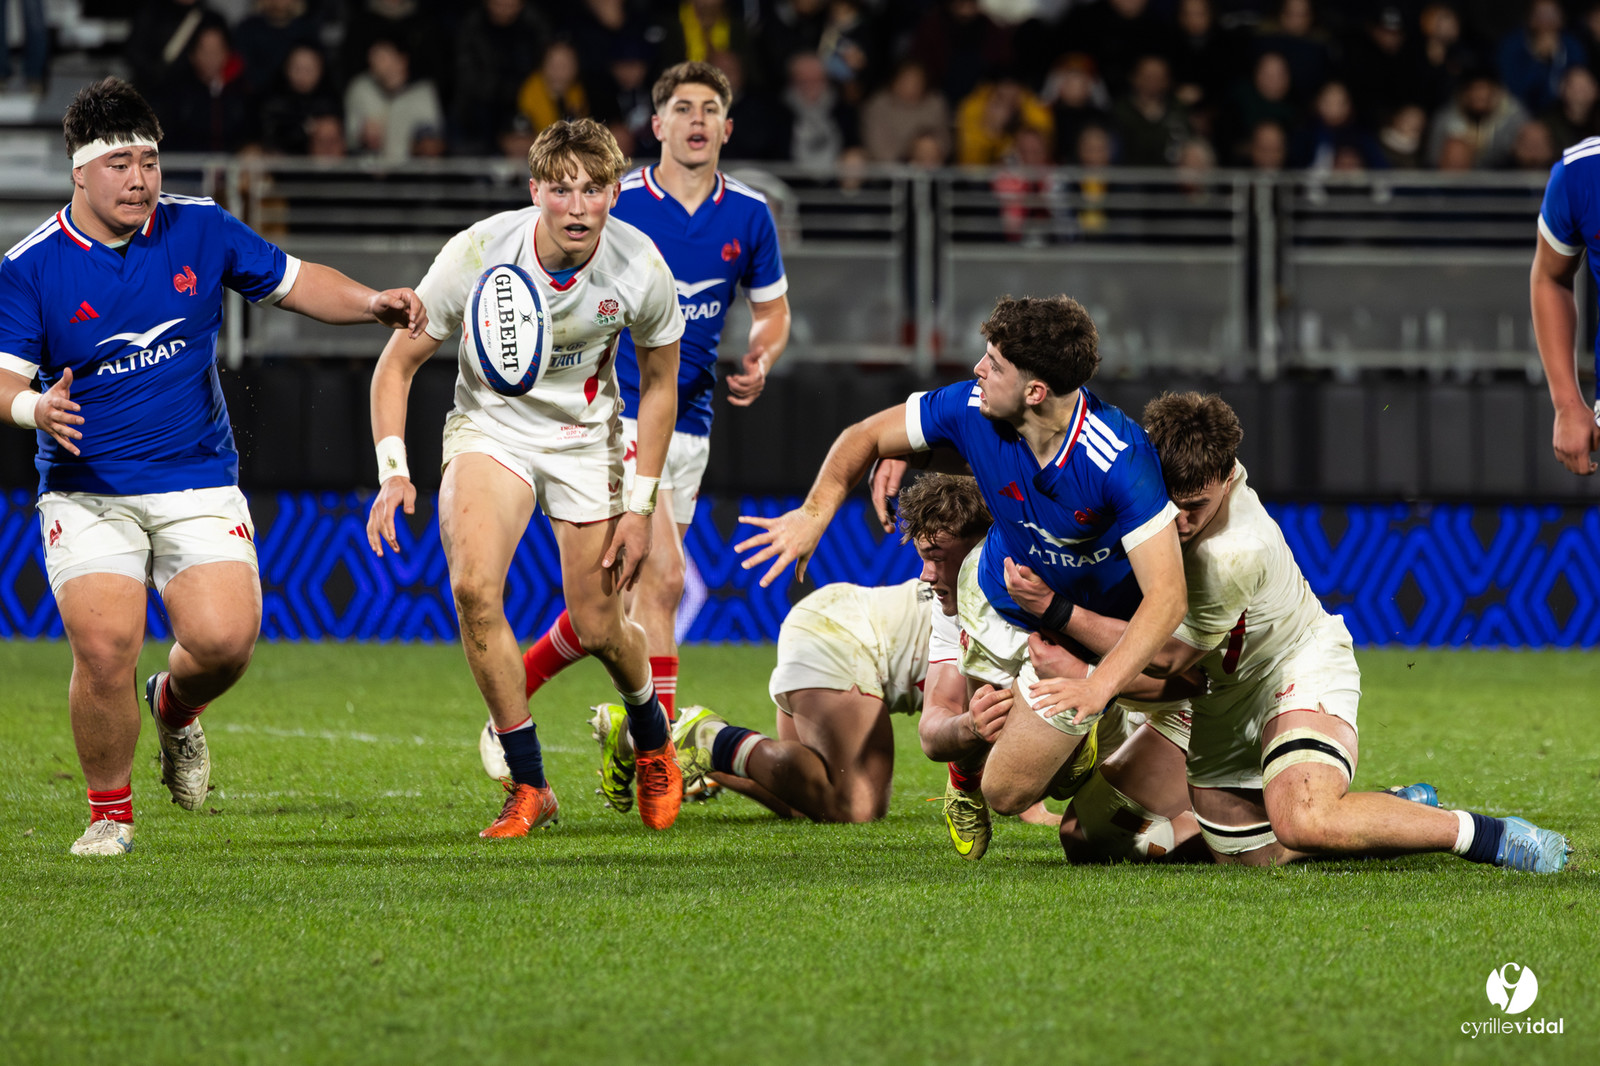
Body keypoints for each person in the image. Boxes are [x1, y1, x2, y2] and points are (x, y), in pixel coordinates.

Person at [0, 78, 427, 856]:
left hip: (195, 475)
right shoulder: (31, 266)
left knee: (226, 642)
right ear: (80, 172)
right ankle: (109, 815)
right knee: (105, 647)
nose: (140, 179)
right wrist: (34, 408)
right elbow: (3, 380)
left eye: (150, 162)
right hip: (88, 490)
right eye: (121, 164)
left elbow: (296, 280)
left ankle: (174, 707)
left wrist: (371, 303)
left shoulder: (199, 226)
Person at [1025, 392, 1571, 873]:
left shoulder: (1232, 551)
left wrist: (1057, 612)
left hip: (1291, 668)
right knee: (1090, 838)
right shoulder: (1146, 480)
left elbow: (1166, 658)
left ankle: (1488, 835)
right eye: (1172, 506)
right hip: (1216, 695)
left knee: (1304, 822)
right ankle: (1390, 807)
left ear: (1228, 477)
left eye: (1195, 508)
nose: (1181, 523)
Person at [737, 295, 1188, 830]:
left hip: (1091, 624)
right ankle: (969, 777)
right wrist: (815, 513)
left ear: (1035, 392)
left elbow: (1168, 598)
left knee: (1100, 763)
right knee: (998, 780)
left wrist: (1097, 687)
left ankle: (1075, 742)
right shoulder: (972, 406)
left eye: (994, 364)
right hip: (1006, 600)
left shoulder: (1119, 459)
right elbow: (865, 436)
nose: (978, 369)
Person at [365, 118, 685, 838]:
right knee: (474, 590)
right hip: (492, 431)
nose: (577, 206)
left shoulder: (640, 266)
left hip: (586, 441)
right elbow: (397, 364)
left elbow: (662, 385)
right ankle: (530, 783)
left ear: (615, 194)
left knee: (600, 626)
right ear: (534, 190)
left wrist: (641, 508)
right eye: (562, 189)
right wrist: (393, 470)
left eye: (594, 190)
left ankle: (653, 738)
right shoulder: (478, 252)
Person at [516, 62, 790, 813]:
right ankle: (656, 756)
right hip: (616, 410)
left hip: (688, 423)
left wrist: (762, 351)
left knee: (624, 599)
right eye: (682, 107)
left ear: (727, 128)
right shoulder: (618, 201)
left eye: (710, 108)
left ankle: (540, 697)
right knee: (665, 578)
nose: (697, 119)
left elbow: (772, 310)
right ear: (658, 124)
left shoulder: (750, 216)